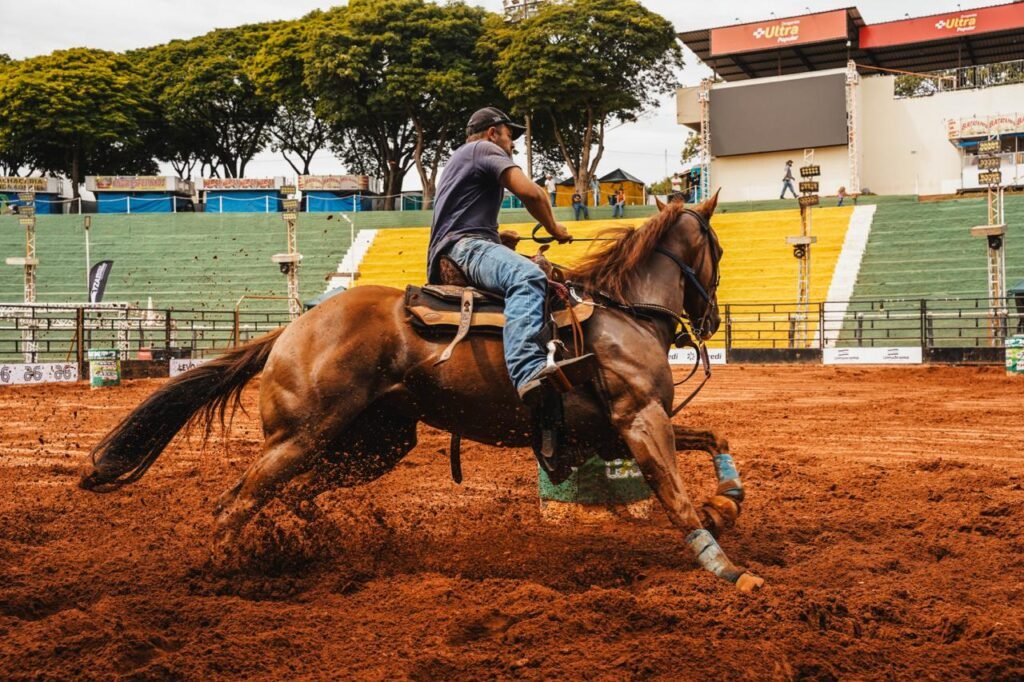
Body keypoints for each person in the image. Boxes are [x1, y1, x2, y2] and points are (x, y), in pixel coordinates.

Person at [427, 106, 589, 403]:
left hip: (461, 244)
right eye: (509, 136)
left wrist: (497, 239)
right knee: (528, 277)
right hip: (465, 246)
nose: (512, 144)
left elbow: (456, 216)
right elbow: (532, 193)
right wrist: (554, 228)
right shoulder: (483, 149)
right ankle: (527, 370)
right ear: (492, 133)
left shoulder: (460, 158)